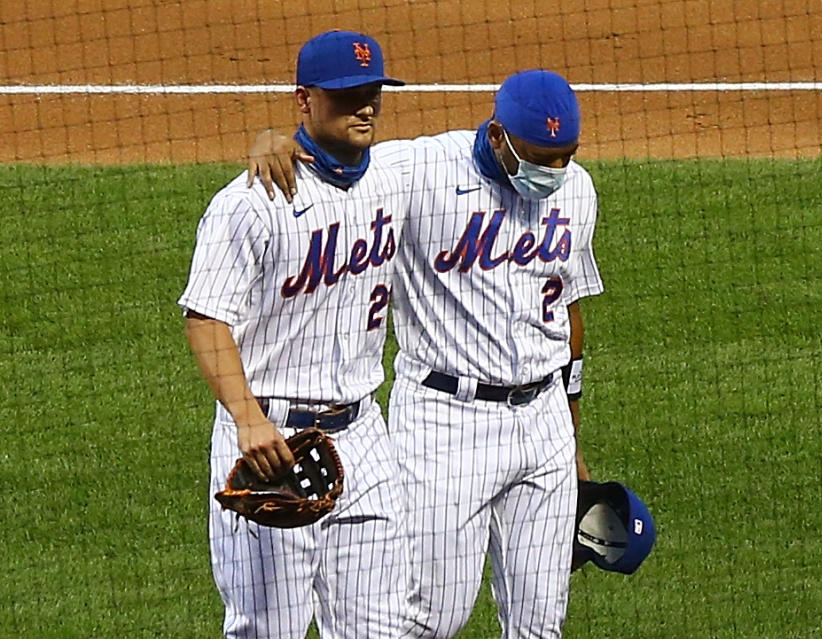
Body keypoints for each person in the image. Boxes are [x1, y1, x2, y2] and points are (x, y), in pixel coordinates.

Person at [249, 70, 603, 639]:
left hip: (544, 426)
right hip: (446, 425)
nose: (555, 173)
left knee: (542, 623)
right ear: (497, 136)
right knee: (427, 618)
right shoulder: (421, 171)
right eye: (541, 158)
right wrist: (276, 139)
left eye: (566, 156)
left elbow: (569, 313)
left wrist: (573, 435)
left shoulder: (577, 190)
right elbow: (334, 163)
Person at [178, 30, 413, 639]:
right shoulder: (251, 203)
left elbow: (492, 145)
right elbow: (205, 317)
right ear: (304, 101)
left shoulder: (395, 177)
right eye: (345, 95)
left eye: (372, 93)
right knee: (268, 629)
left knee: (383, 628)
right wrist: (248, 420)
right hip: (272, 440)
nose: (364, 107)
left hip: (366, 436)